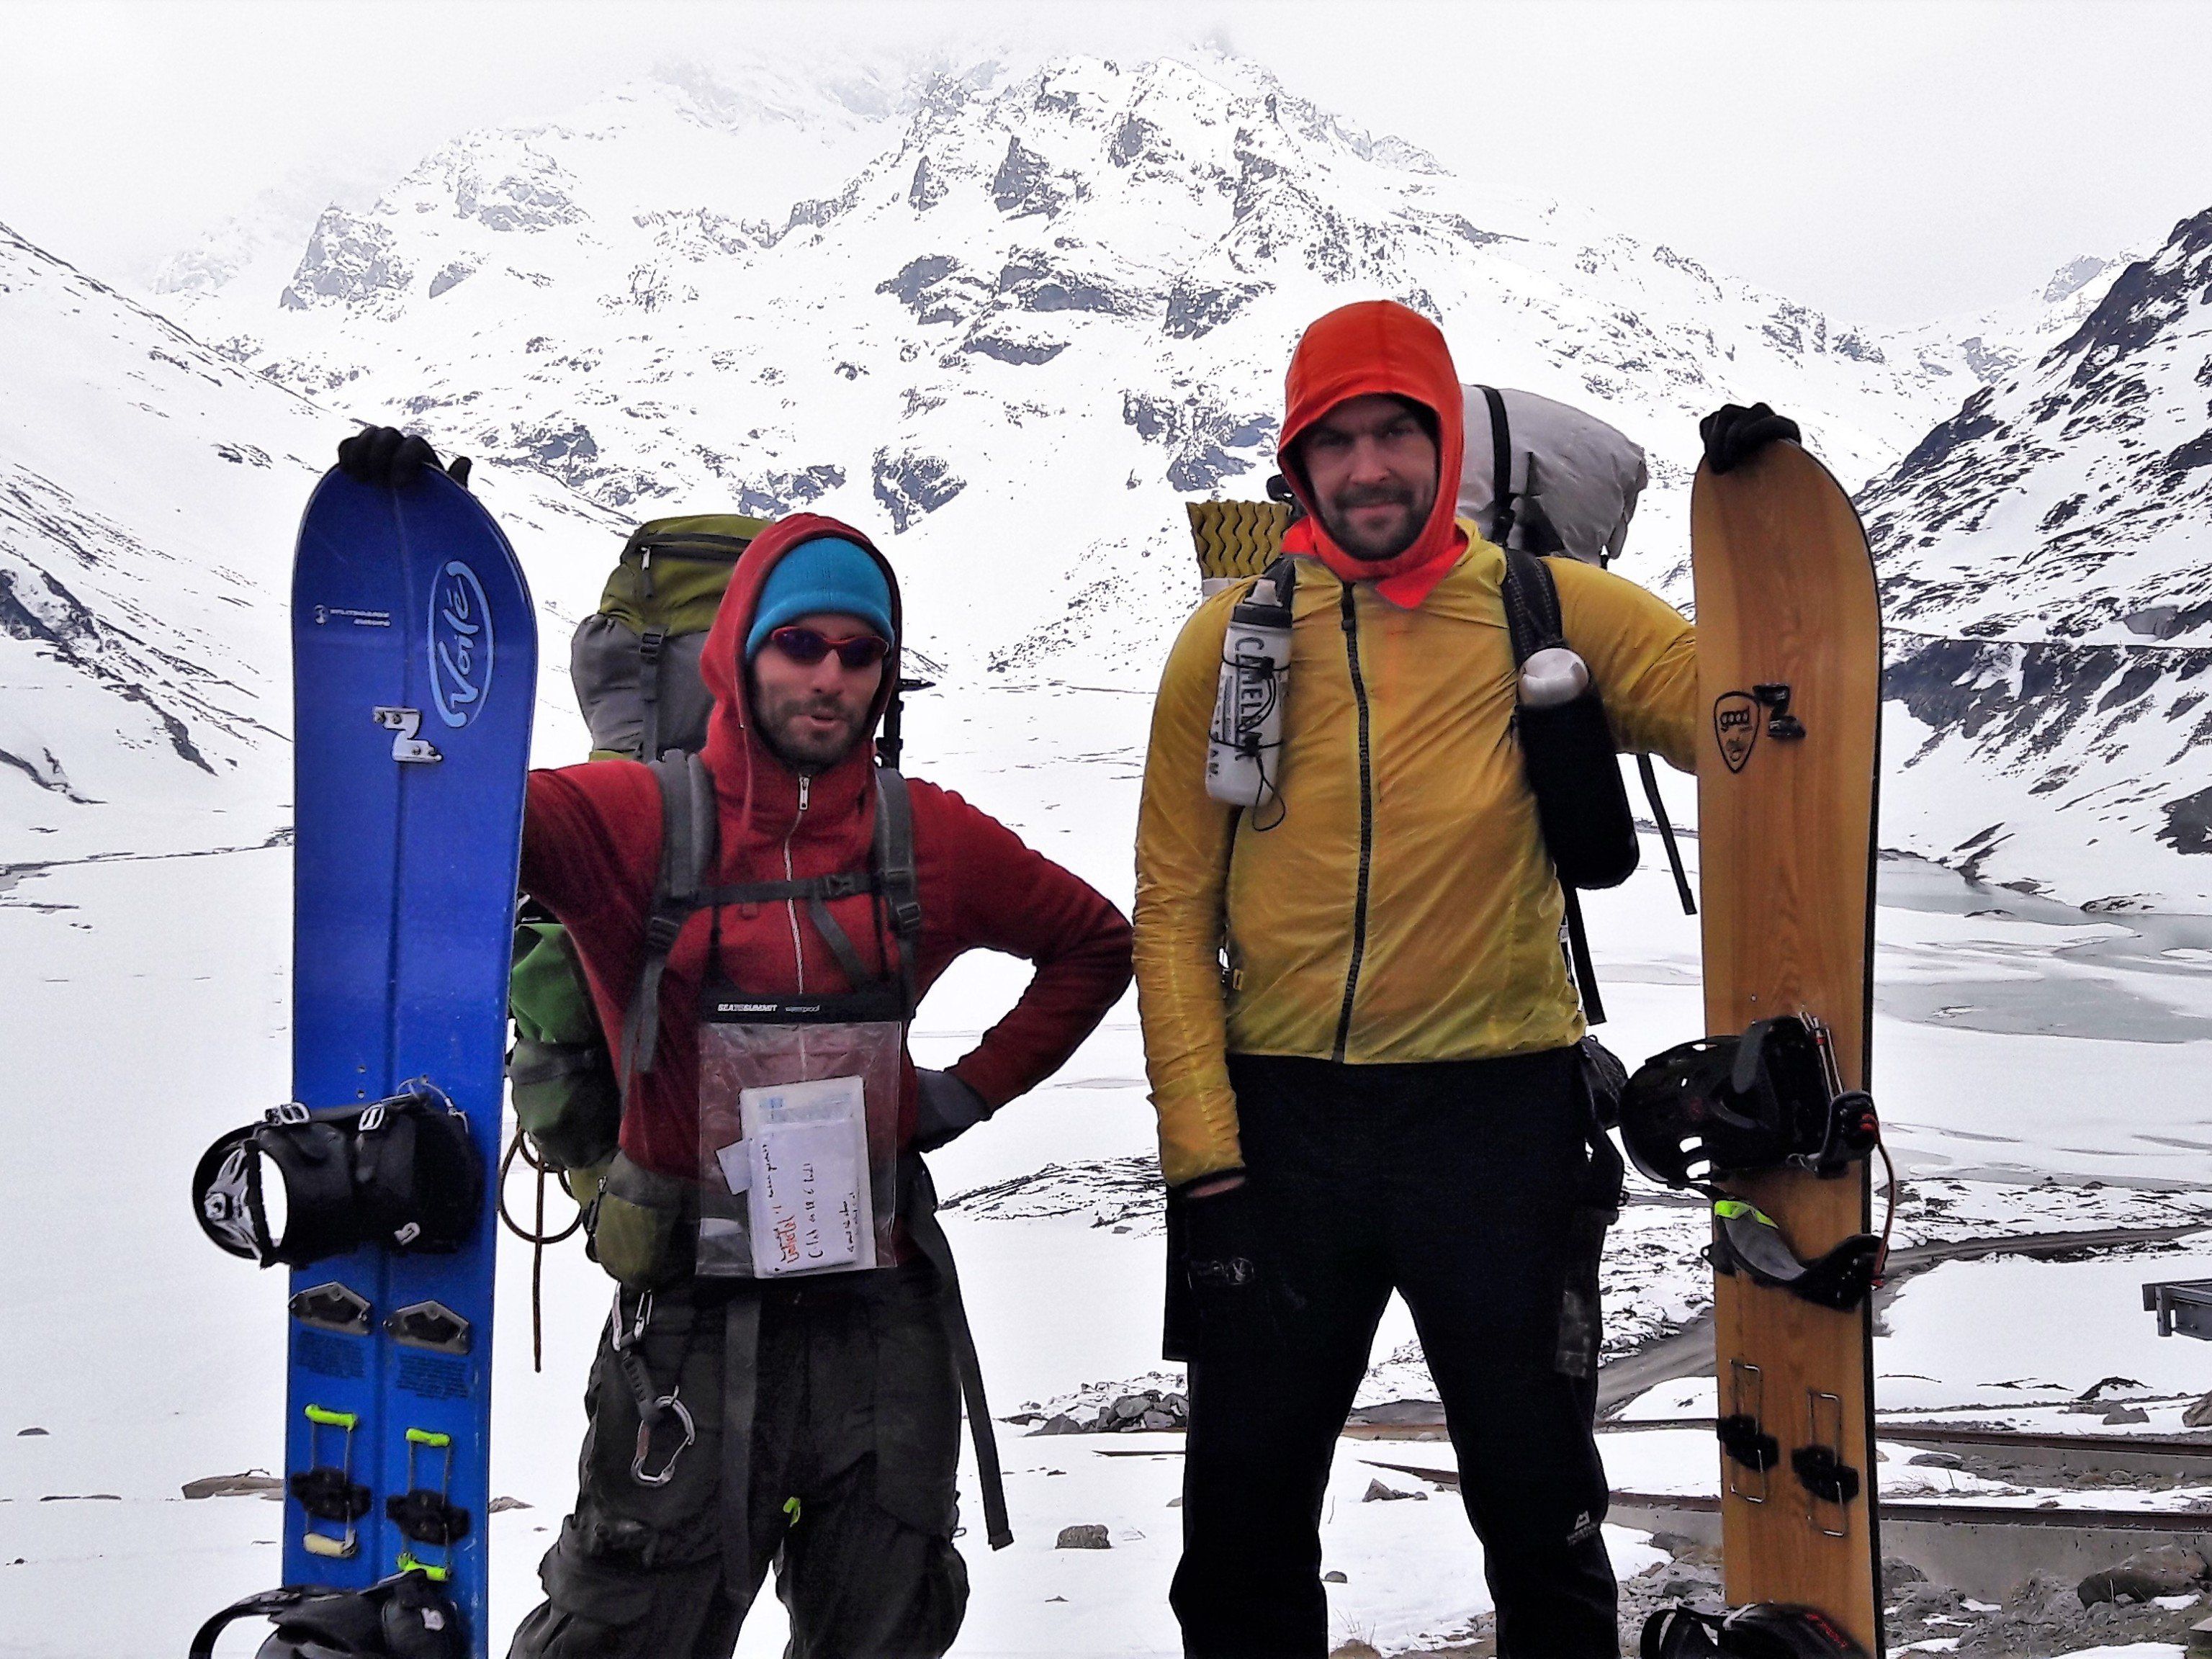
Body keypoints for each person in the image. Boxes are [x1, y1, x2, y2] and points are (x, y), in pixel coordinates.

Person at [339, 428, 1136, 1659]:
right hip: (694, 1333)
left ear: (885, 677)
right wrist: (411, 595)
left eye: (859, 654)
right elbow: (449, 791)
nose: (830, 676)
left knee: (884, 1626)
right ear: (740, 654)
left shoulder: (926, 837)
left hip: (882, 1316)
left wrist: (959, 1097)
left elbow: (1092, 944)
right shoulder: (635, 822)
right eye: (801, 644)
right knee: (627, 1630)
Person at [1131, 301, 1795, 1659]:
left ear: (1444, 445)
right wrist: (1205, 1161)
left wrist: (1770, 567)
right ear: (1295, 462)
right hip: (1278, 1133)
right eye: (1338, 441)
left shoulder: (1545, 607)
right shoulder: (1233, 645)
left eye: (1396, 433)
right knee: (1243, 1534)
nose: (1368, 468)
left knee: (1541, 1511)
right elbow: (1170, 912)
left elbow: (1734, 715)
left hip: (1499, 1126)